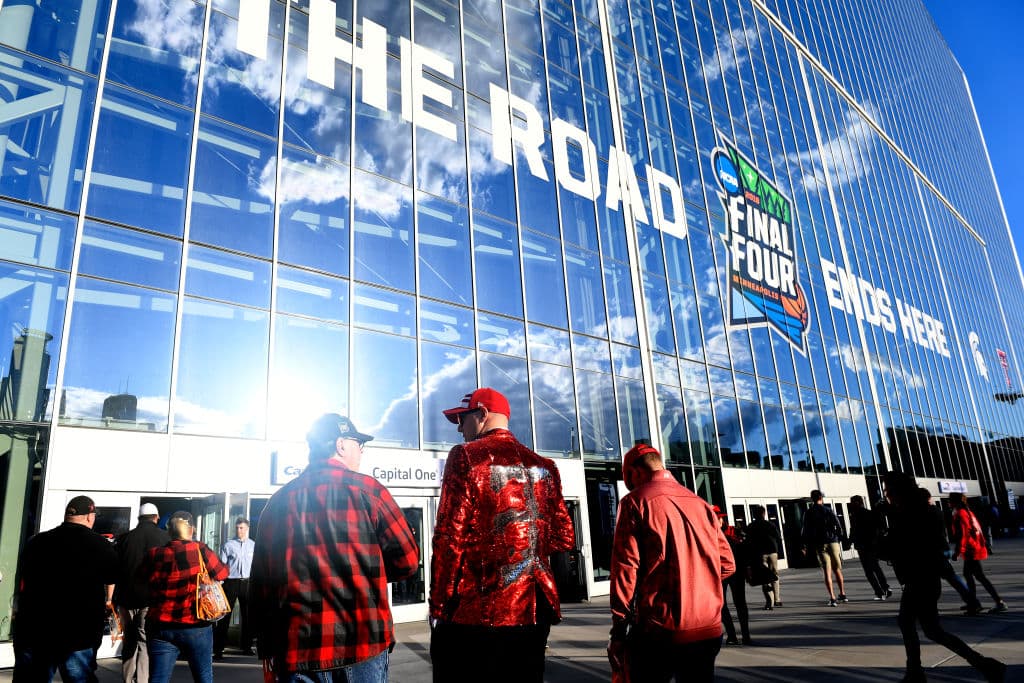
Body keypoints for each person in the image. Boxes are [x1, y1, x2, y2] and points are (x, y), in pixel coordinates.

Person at [251, 413, 419, 682]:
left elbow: (260, 586)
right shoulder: (369, 491)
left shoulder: (277, 504)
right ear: (340, 445)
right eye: (357, 443)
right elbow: (408, 561)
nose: (361, 450)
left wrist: (265, 647)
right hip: (363, 643)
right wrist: (368, 571)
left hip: (298, 652)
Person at [430, 388, 575, 682]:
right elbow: (563, 538)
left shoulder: (465, 457)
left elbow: (449, 538)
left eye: (462, 418)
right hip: (535, 610)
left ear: (482, 414)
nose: (459, 428)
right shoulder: (546, 466)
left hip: (481, 614)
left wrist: (439, 607)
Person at [608, 444, 735, 683]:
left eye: (630, 481)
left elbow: (625, 571)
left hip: (660, 630)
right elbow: (727, 564)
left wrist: (618, 628)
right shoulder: (701, 504)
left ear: (635, 473)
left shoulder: (634, 503)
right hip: (708, 629)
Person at [884, 472, 1005, 683]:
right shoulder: (922, 511)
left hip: (920, 579)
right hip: (925, 578)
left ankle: (917, 673)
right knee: (930, 630)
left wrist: (882, 542)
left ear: (898, 491)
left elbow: (898, 547)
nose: (886, 495)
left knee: (915, 625)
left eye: (888, 490)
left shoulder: (909, 515)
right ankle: (984, 665)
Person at [13, 496, 118, 683]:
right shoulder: (101, 546)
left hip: (35, 629)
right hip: (77, 634)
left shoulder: (37, 542)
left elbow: (23, 579)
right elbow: (112, 578)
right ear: (89, 517)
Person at [141, 510, 229, 683]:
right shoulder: (200, 550)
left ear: (170, 531)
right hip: (195, 624)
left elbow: (140, 579)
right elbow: (223, 573)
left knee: (158, 678)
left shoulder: (154, 554)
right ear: (191, 530)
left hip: (161, 626)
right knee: (203, 677)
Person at [113, 502, 169, 683]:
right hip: (149, 600)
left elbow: (115, 570)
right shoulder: (164, 538)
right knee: (145, 643)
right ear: (156, 518)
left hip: (125, 599)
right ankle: (143, 680)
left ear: (139, 518)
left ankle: (127, 679)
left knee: (129, 642)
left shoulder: (124, 539)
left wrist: (110, 598)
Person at [948, 493, 1008, 614]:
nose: (948, 502)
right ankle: (974, 602)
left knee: (977, 576)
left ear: (954, 502)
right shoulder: (968, 512)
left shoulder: (961, 514)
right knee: (973, 576)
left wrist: (958, 551)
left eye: (950, 500)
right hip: (974, 548)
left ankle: (990, 603)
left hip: (971, 550)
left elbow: (963, 535)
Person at [214, 517, 255, 659]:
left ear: (247, 528)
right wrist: (219, 584)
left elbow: (255, 567)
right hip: (231, 583)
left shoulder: (253, 545)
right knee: (225, 615)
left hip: (247, 583)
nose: (239, 530)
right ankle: (218, 649)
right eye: (237, 528)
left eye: (242, 528)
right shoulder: (228, 545)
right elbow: (222, 566)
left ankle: (247, 647)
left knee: (248, 616)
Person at [801, 489, 847, 606]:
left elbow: (805, 530)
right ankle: (842, 594)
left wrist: (805, 545)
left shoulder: (808, 513)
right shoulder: (828, 510)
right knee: (837, 569)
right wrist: (838, 536)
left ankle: (832, 598)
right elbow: (838, 524)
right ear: (821, 497)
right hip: (832, 541)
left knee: (827, 571)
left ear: (812, 498)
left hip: (819, 543)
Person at [849, 495, 893, 601]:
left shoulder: (855, 515)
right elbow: (880, 527)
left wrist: (850, 541)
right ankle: (885, 588)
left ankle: (879, 592)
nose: (851, 505)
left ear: (857, 503)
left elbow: (853, 530)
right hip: (872, 545)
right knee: (876, 567)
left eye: (852, 502)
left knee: (869, 571)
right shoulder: (869, 513)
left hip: (863, 546)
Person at [717, 508, 751, 645]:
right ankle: (731, 635)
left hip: (737, 572)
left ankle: (746, 635)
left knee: (740, 603)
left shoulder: (734, 532)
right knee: (721, 604)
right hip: (720, 573)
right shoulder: (708, 534)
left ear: (722, 519)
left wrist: (748, 568)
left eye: (718, 518)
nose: (717, 520)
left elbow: (745, 551)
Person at [745, 504, 782, 609]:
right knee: (775, 575)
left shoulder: (751, 526)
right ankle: (777, 599)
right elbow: (778, 537)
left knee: (764, 578)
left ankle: (769, 602)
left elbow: (748, 542)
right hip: (773, 553)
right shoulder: (770, 525)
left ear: (754, 514)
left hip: (760, 554)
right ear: (764, 513)